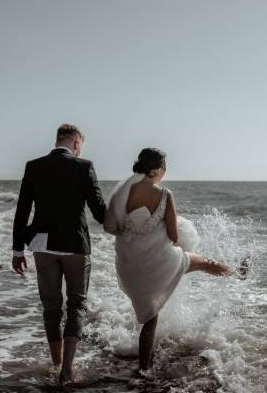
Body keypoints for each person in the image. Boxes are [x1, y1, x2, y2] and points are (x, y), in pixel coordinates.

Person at [104, 148, 229, 371]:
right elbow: (173, 235)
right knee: (203, 262)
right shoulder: (164, 194)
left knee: (148, 317)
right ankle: (237, 272)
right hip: (159, 261)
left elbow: (113, 227)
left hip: (128, 265)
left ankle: (143, 369)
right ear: (158, 169)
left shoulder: (124, 191)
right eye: (164, 168)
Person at [11, 123, 106, 384]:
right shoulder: (84, 166)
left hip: (42, 246)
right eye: (80, 146)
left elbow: (22, 210)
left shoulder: (34, 166)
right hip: (75, 246)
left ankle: (56, 363)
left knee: (51, 307)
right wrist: (125, 223)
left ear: (58, 141)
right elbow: (99, 212)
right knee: (77, 304)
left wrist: (17, 249)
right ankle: (67, 369)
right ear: (76, 143)